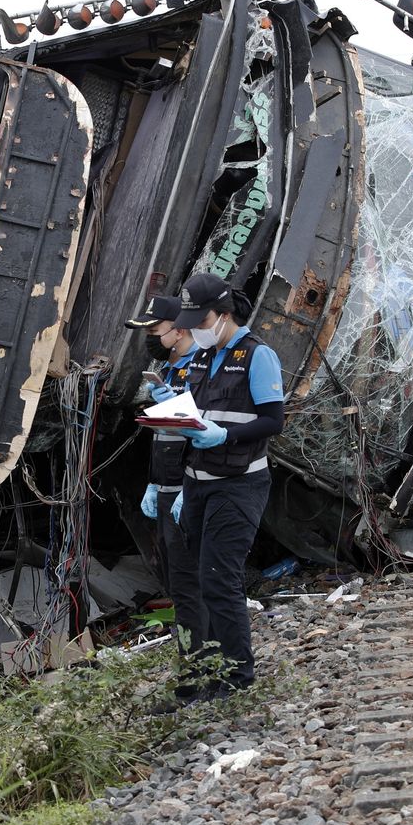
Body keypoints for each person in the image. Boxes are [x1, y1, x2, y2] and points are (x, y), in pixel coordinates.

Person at [168, 272, 285, 699]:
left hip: (238, 484)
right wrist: (172, 409)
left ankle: (235, 679)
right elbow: (199, 411)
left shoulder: (258, 356)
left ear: (223, 315)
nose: (196, 329)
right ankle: (204, 678)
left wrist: (224, 435)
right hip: (197, 482)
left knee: (220, 580)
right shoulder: (202, 358)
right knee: (198, 583)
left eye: (202, 320)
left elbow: (274, 420)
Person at [126, 295, 207, 665]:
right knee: (174, 577)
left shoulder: (201, 369)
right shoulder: (171, 370)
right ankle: (190, 652)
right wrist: (154, 481)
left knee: (189, 578)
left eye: (155, 330)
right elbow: (165, 436)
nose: (151, 338)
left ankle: (203, 657)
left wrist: (188, 488)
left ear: (179, 329)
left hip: (187, 486)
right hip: (166, 484)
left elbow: (202, 436)